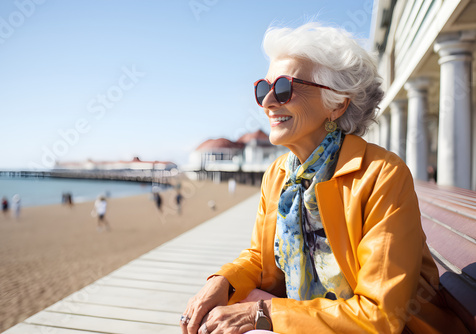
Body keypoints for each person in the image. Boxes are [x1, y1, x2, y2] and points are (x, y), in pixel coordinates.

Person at [180, 23, 468, 334]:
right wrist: (223, 281)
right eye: (263, 89)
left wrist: (260, 312)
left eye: (283, 88)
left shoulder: (381, 175)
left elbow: (380, 315)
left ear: (337, 102)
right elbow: (261, 259)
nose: (267, 103)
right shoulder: (278, 175)